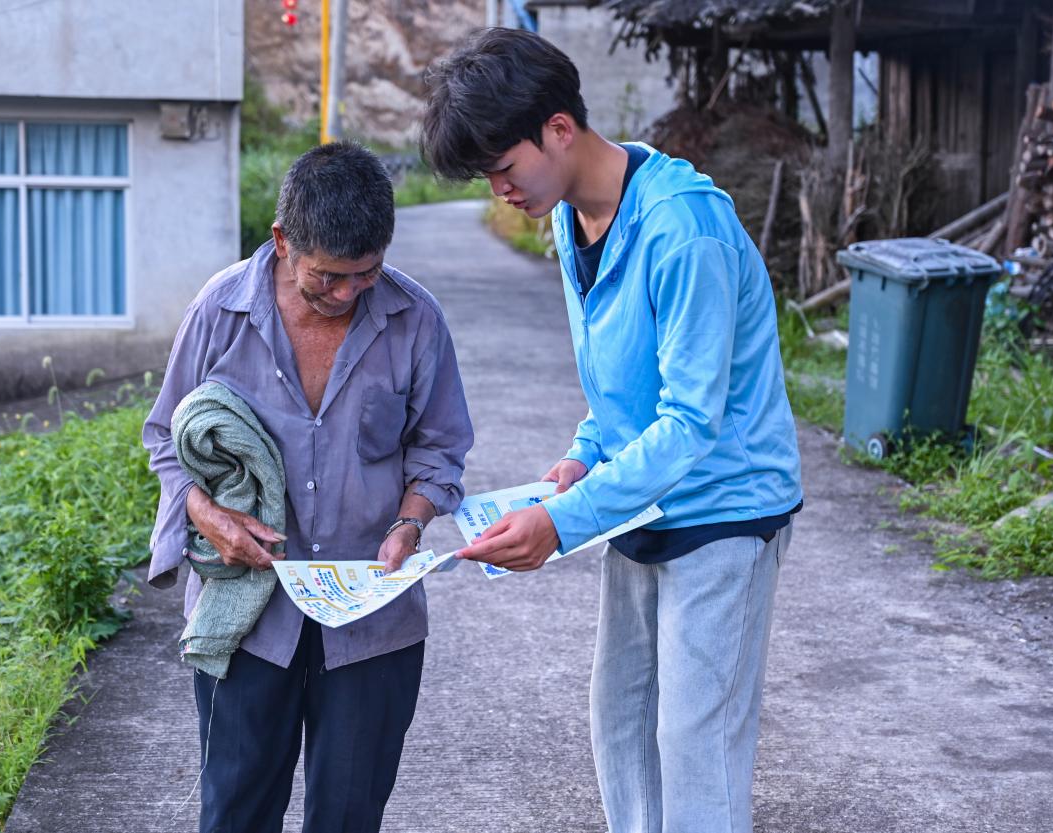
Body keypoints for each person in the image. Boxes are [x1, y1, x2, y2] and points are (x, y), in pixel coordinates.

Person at [421, 28, 803, 833]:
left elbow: (690, 420)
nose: (499, 189)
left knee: (695, 744)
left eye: (503, 167)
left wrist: (561, 522)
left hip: (724, 510)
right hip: (638, 501)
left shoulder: (682, 229)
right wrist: (580, 457)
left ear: (558, 128)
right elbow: (622, 388)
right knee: (621, 719)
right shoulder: (571, 215)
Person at [142, 141, 473, 833]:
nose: (348, 293)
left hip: (371, 621)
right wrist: (206, 514)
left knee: (349, 817)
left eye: (366, 273)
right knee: (235, 814)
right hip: (247, 618)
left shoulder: (416, 319)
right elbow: (165, 438)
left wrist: (409, 523)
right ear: (282, 240)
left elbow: (439, 447)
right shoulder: (219, 311)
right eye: (328, 276)